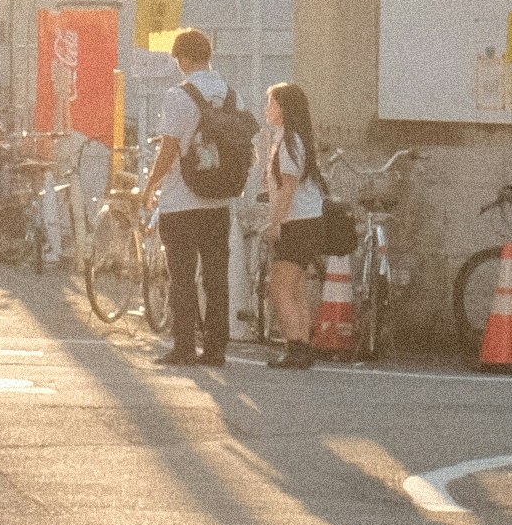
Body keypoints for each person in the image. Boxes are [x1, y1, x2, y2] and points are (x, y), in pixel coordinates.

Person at [137, 27, 252, 369]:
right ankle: (216, 349)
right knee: (217, 277)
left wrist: (151, 185)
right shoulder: (233, 96)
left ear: (184, 58)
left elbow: (170, 147)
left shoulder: (178, 95)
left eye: (178, 60)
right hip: (219, 201)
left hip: (182, 200)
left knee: (182, 276)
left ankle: (184, 346)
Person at [253, 81, 351, 367]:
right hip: (308, 222)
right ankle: (302, 346)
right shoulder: (290, 139)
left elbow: (289, 186)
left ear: (284, 109)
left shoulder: (289, 141)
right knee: (295, 286)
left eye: (271, 103)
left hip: (297, 223)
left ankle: (296, 347)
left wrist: (275, 223)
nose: (267, 108)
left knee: (279, 286)